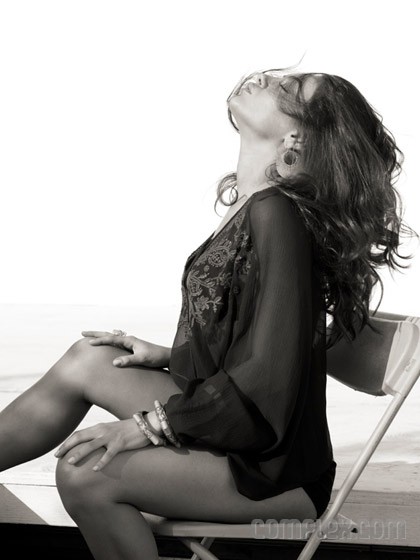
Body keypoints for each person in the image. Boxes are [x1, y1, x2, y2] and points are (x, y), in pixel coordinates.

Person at [0, 68, 416, 560]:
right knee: (89, 358)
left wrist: (147, 426)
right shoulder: (254, 205)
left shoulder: (277, 214)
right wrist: (167, 355)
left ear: (295, 138)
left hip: (273, 469)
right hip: (244, 431)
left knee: (85, 472)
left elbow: (268, 379)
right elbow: (251, 338)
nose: (267, 77)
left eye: (287, 88)